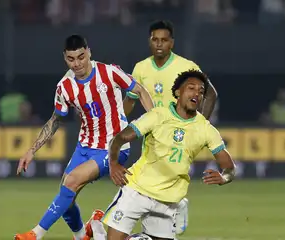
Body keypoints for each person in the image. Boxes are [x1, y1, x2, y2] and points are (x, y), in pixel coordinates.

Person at [14, 35, 154, 240]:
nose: (77, 63)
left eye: (81, 57)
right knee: (66, 199)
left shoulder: (109, 73)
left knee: (71, 182)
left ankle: (35, 234)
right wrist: (31, 150)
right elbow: (55, 120)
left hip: (113, 146)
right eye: (71, 59)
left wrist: (156, 122)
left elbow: (139, 91)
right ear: (65, 58)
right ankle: (82, 236)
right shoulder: (64, 87)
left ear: (89, 52)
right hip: (85, 145)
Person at [103, 70, 236, 240]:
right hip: (137, 191)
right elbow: (119, 139)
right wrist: (114, 164)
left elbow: (229, 168)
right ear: (178, 92)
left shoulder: (206, 129)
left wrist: (224, 178)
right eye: (191, 88)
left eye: (201, 91)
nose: (197, 93)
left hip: (168, 201)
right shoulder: (158, 116)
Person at [122, 20, 218, 235]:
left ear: (171, 43)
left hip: (178, 133)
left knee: (154, 182)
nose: (159, 44)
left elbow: (211, 93)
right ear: (149, 41)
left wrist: (200, 124)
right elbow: (130, 99)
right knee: (148, 184)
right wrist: (118, 122)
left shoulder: (186, 66)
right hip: (151, 134)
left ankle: (174, 208)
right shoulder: (141, 68)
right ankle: (174, 209)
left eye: (164, 40)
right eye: (155, 39)